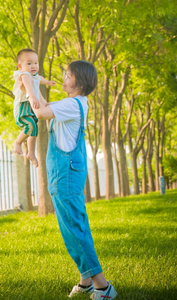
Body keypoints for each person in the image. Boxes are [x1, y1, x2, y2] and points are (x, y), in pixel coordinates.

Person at [31, 60, 117, 299]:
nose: (64, 77)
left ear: (79, 81)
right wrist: (33, 82)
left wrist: (28, 85)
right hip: (68, 172)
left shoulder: (71, 104)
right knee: (76, 225)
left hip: (65, 175)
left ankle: (102, 286)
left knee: (73, 230)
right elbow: (45, 104)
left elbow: (39, 112)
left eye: (67, 75)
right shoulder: (75, 103)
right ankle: (86, 281)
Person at [13, 48, 56, 167]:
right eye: (29, 63)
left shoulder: (34, 75)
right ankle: (17, 142)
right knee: (30, 126)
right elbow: (28, 86)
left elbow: (39, 78)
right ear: (20, 66)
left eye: (36, 63)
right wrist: (33, 97)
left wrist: (47, 82)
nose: (33, 66)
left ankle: (31, 153)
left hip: (31, 105)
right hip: (23, 107)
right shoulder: (25, 75)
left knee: (33, 130)